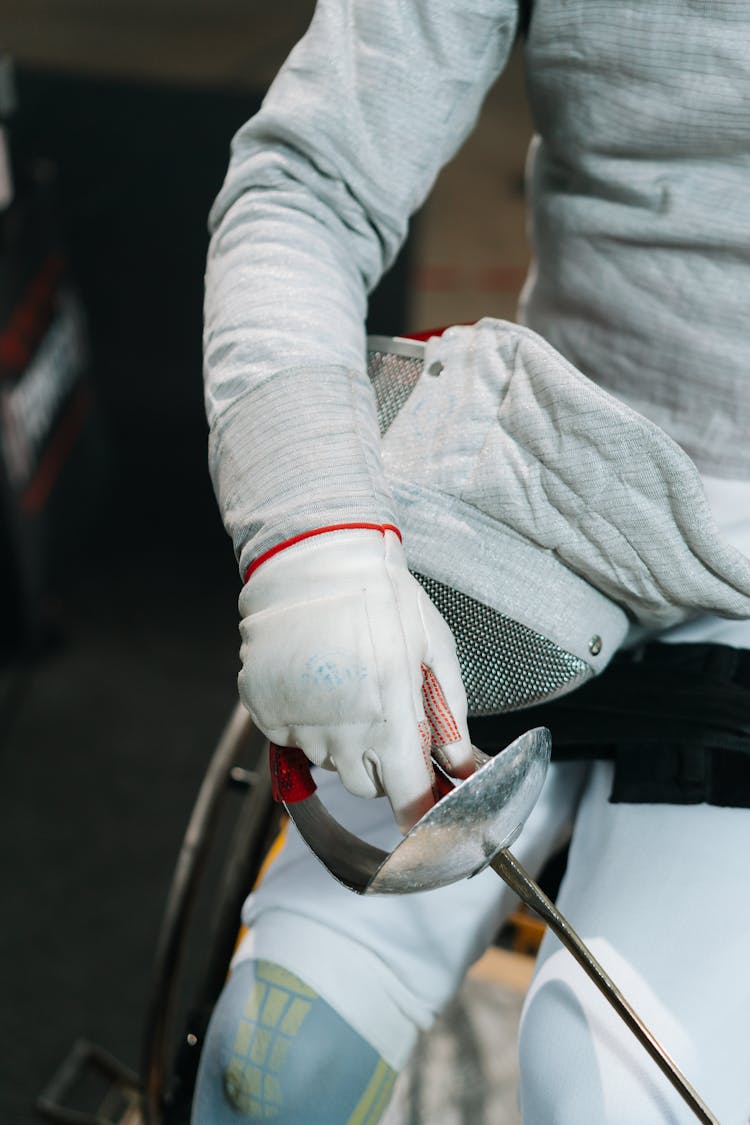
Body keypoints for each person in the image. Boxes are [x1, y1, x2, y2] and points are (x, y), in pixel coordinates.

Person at [191, 3, 750, 1121]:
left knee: (602, 1093)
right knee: (273, 1064)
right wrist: (317, 540)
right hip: (550, 485)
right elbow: (305, 184)